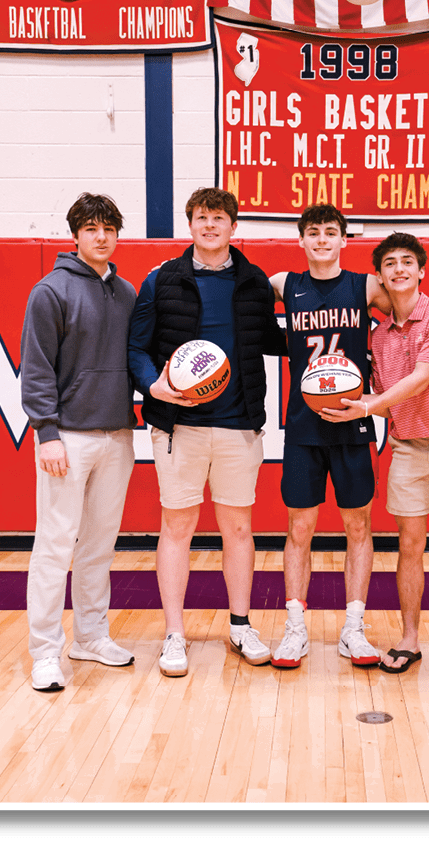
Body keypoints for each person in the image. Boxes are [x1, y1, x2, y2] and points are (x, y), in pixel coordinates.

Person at [322, 232, 429, 680]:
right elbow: (389, 391)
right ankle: (409, 640)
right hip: (408, 446)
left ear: (421, 270)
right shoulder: (379, 335)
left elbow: (421, 379)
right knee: (409, 547)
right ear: (380, 275)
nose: (399, 269)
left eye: (407, 261)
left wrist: (365, 406)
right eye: (390, 263)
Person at [128, 187, 287, 677]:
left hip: (239, 425)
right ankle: (174, 634)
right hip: (180, 427)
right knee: (177, 527)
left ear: (233, 226)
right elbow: (136, 347)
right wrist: (154, 386)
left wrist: (331, 338)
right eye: (202, 218)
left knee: (238, 528)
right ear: (190, 224)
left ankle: (240, 625)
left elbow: (275, 340)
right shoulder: (162, 279)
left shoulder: (254, 281)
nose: (210, 226)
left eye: (219, 218)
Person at [20, 193, 137, 692]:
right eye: (91, 228)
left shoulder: (128, 292)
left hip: (117, 436)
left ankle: (89, 635)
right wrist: (46, 434)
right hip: (66, 438)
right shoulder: (50, 291)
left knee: (98, 546)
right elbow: (37, 368)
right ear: (76, 235)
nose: (101, 236)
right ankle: (45, 651)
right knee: (53, 545)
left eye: (109, 227)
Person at [268, 203, 392, 669]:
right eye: (313, 232)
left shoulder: (365, 285)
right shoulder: (284, 284)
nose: (322, 239)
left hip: (353, 422)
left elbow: (411, 305)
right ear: (301, 240)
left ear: (345, 240)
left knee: (358, 525)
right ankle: (295, 629)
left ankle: (353, 629)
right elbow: (234, 290)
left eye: (331, 232)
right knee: (299, 528)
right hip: (303, 426)